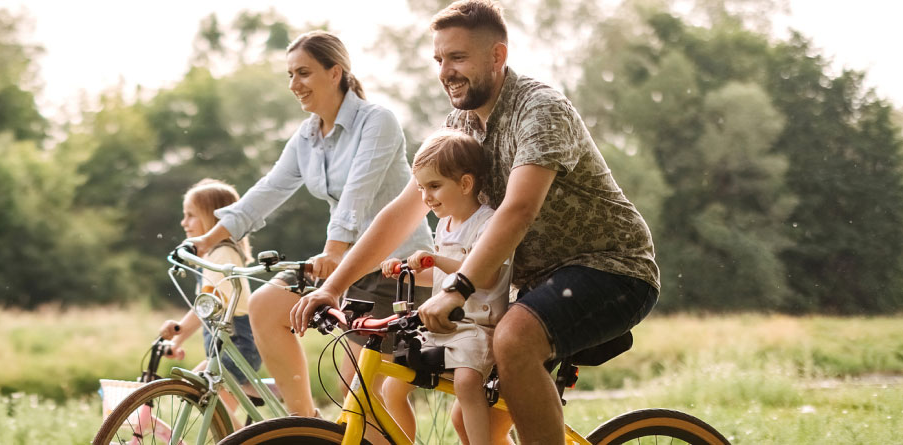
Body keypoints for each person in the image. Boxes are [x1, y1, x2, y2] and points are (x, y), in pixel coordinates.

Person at [290, 2, 659, 444]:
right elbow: (404, 210)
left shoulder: (539, 110)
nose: (446, 71)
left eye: (458, 58)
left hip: (610, 270)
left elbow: (519, 210)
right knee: (473, 422)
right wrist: (334, 287)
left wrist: (458, 289)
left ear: (497, 57)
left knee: (514, 340)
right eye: (439, 60)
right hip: (530, 285)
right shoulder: (460, 125)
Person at [184, 30, 433, 418]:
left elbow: (357, 195)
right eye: (289, 75)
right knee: (266, 304)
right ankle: (305, 424)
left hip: (394, 267)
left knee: (364, 393)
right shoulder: (308, 136)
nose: (294, 85)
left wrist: (334, 250)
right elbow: (269, 188)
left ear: (335, 73)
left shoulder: (377, 121)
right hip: (345, 264)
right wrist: (209, 238)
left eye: (303, 73)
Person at [378, 129, 513, 445]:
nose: (426, 196)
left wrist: (435, 259)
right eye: (422, 187)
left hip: (478, 327)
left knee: (467, 383)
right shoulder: (445, 224)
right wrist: (406, 272)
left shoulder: (487, 223)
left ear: (465, 184)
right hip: (442, 327)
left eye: (435, 186)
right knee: (392, 385)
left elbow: (487, 276)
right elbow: (443, 281)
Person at [158, 178, 260, 423]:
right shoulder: (214, 256)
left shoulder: (221, 254)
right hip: (228, 347)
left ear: (213, 219)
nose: (184, 223)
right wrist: (177, 338)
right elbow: (205, 307)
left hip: (237, 346)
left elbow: (206, 307)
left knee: (205, 400)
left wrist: (178, 333)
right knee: (209, 405)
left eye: (191, 215)